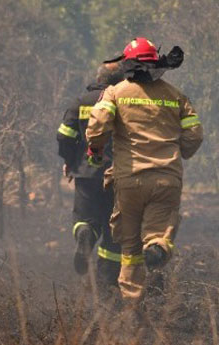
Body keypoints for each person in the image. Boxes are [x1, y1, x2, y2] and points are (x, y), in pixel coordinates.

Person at [86, 37, 203, 302]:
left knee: (129, 247)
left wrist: (95, 148)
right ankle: (157, 247)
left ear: (127, 64)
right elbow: (194, 134)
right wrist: (181, 150)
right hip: (166, 178)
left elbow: (97, 127)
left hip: (129, 180)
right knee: (159, 231)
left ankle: (132, 307)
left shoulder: (115, 92)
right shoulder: (177, 96)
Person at [56, 62, 125, 287]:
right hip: (117, 174)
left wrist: (70, 161)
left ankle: (85, 233)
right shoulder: (122, 102)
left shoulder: (81, 102)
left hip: (86, 172)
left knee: (85, 217)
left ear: (98, 79)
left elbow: (65, 135)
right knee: (112, 227)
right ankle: (107, 279)